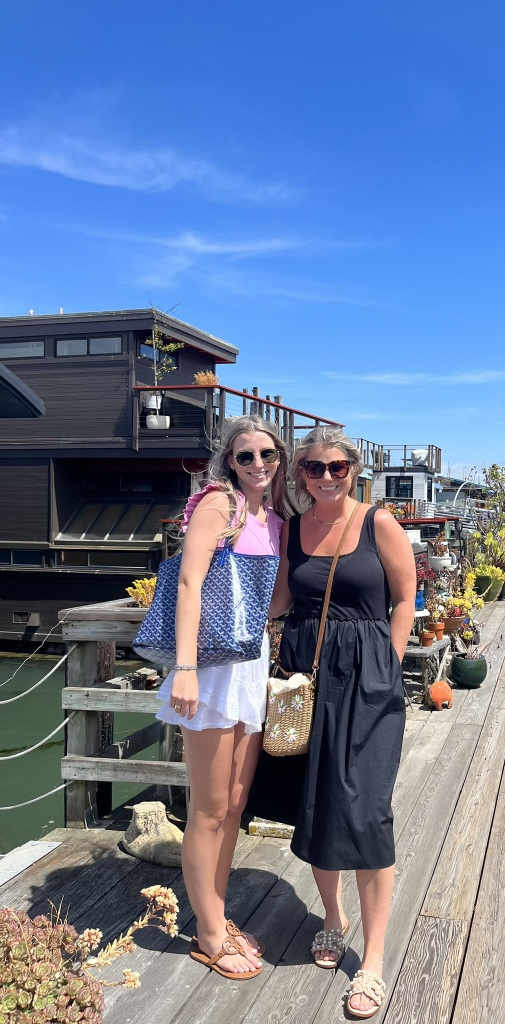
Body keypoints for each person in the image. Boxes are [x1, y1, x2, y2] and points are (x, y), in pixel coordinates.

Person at [266, 426, 416, 1019]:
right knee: (318, 798)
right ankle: (333, 915)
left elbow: (404, 598)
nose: (326, 477)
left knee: (367, 808)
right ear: (299, 475)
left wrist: (390, 664)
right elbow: (280, 602)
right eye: (313, 468)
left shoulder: (379, 523)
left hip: (368, 677)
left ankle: (373, 958)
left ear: (354, 469)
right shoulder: (291, 530)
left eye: (337, 467)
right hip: (306, 675)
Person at [155, 415, 293, 980]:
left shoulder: (275, 519)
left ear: (280, 459)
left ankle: (216, 912)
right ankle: (209, 933)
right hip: (211, 668)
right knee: (209, 807)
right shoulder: (220, 505)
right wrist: (185, 668)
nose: (258, 464)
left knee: (235, 804)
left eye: (267, 454)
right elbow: (189, 582)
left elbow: (276, 604)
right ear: (229, 462)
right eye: (245, 455)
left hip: (251, 663)